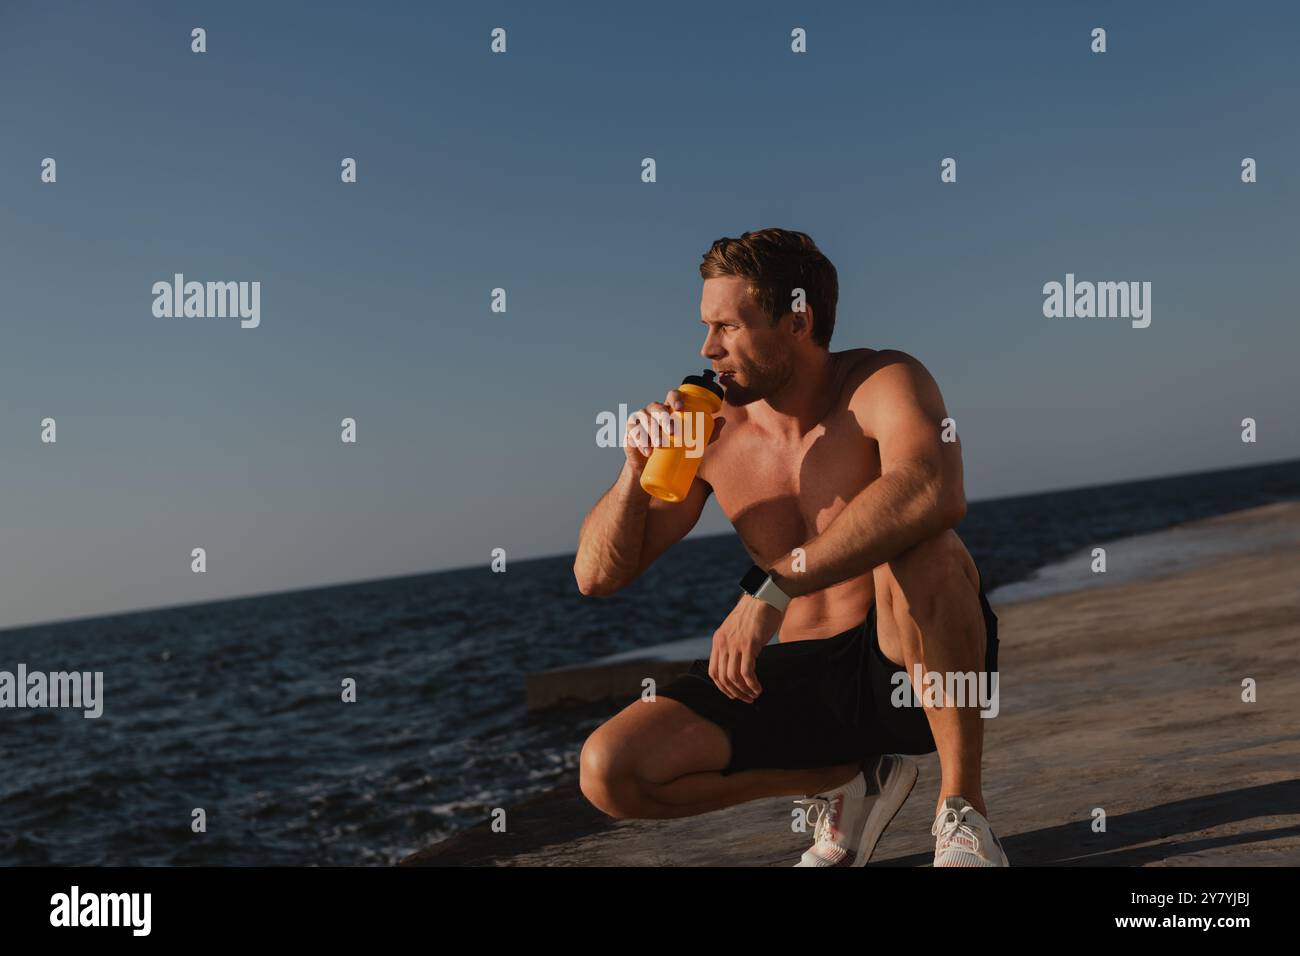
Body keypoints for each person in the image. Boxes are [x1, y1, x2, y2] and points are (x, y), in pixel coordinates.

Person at [572, 228, 1008, 867]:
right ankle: (849, 782)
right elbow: (597, 577)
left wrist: (773, 585)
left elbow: (933, 489)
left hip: (906, 668)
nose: (707, 348)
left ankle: (962, 814)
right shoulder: (710, 432)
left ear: (797, 319)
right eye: (706, 326)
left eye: (728, 326)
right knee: (610, 770)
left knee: (927, 549)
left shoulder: (882, 380)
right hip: (807, 683)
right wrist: (632, 476)